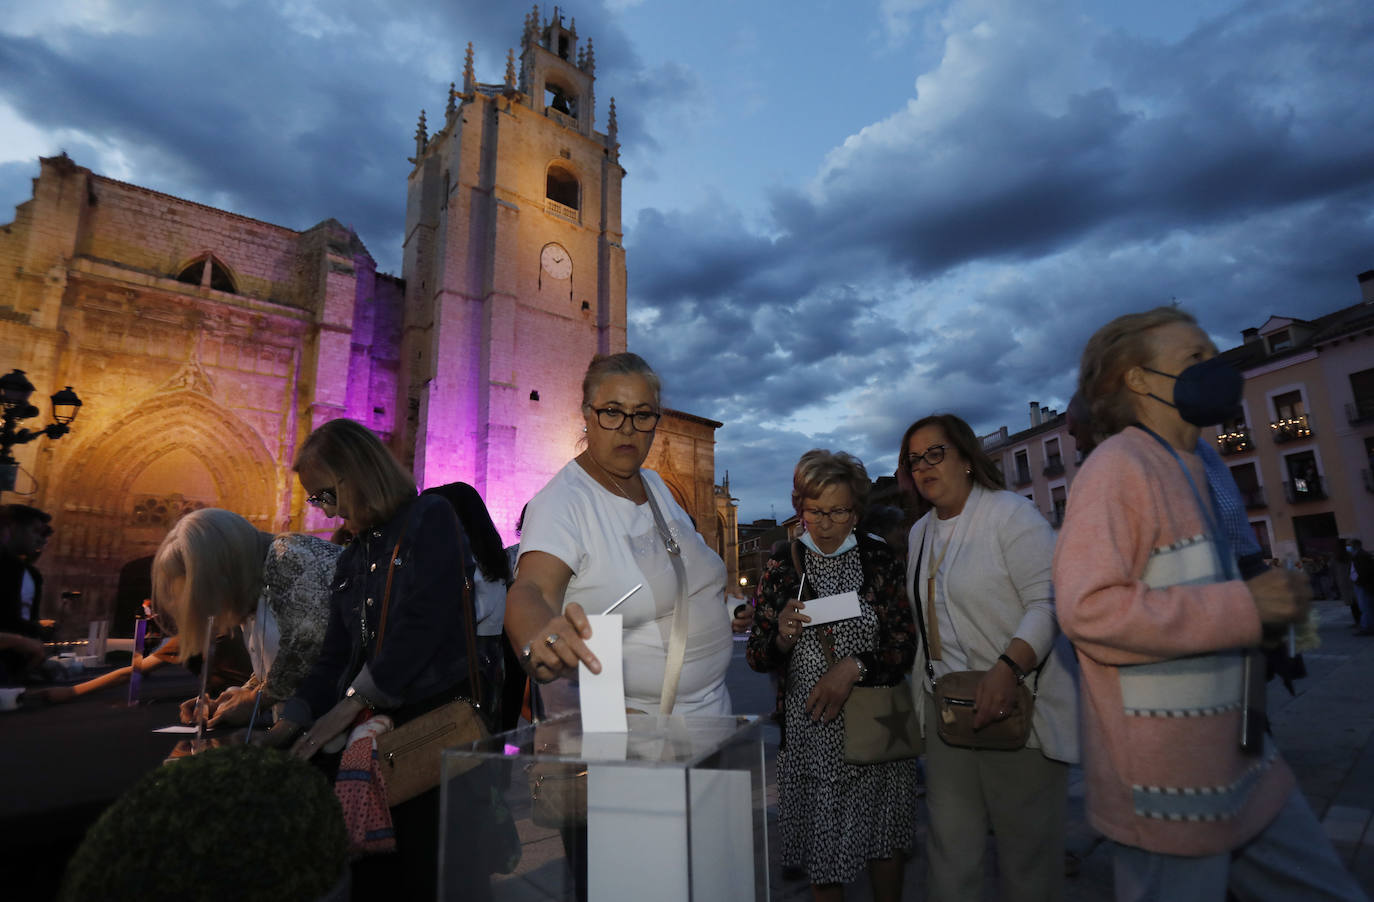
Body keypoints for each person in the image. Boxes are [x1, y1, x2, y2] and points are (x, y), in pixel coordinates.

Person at [1054, 306, 1367, 901]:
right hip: (1168, 788)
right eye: (1193, 358)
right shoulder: (1117, 468)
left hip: (1239, 759)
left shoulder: (1189, 463)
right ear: (1138, 380)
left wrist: (1264, 618)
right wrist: (1245, 607)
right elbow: (1087, 610)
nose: (1214, 367)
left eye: (1212, 353)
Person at [259, 418, 480, 900]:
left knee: (428, 873)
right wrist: (289, 722)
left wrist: (347, 706)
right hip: (374, 739)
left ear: (355, 474)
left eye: (323, 495)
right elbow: (333, 657)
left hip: (428, 733)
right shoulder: (351, 557)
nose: (323, 511)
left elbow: (422, 626)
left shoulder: (431, 516)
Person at [898, 414, 1079, 902]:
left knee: (1027, 864)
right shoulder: (919, 534)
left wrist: (1008, 668)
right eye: (914, 460)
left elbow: (1048, 600)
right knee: (950, 859)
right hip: (949, 716)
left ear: (966, 459)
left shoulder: (1010, 515)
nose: (923, 467)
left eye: (935, 453)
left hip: (1021, 712)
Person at [505, 352, 734, 717]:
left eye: (642, 414)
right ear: (586, 414)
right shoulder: (561, 502)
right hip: (634, 737)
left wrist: (729, 609)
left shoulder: (656, 486)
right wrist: (540, 637)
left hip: (711, 724)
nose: (628, 428)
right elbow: (531, 589)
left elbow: (687, 572)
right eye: (612, 412)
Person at [746, 449, 916, 902]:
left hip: (875, 729)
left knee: (884, 839)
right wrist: (781, 637)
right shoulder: (783, 566)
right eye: (813, 511)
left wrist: (854, 667)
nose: (823, 524)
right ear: (799, 505)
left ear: (856, 510)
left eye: (838, 511)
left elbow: (903, 643)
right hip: (811, 736)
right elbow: (759, 657)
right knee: (825, 857)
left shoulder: (879, 558)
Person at [148, 508, 339, 728]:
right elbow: (280, 665)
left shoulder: (288, 555)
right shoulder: (257, 585)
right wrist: (237, 697)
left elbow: (310, 645)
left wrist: (255, 699)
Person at [421, 482, 512, 727]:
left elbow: (468, 614)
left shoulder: (468, 562)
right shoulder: (488, 559)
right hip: (486, 657)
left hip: (468, 661)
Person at [0, 504, 53, 639]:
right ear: (12, 528)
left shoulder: (31, 574)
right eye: (35, 531)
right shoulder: (9, 568)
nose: (40, 540)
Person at [1352, 539, 1374, 636]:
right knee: (1366, 606)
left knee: (1365, 606)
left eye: (1350, 545)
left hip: (1363, 585)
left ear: (1355, 545)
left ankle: (1367, 627)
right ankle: (1367, 626)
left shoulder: (1361, 556)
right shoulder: (1361, 555)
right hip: (1363, 584)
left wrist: (1359, 582)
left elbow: (1364, 572)